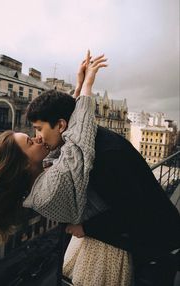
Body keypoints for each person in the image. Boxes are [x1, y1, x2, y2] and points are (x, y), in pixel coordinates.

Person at [26, 57, 180, 285]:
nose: (37, 136)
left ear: (60, 126)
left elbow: (131, 211)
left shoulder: (104, 155)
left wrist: (85, 227)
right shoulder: (87, 144)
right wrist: (79, 88)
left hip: (156, 247)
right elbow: (76, 121)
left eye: (39, 129)